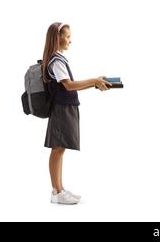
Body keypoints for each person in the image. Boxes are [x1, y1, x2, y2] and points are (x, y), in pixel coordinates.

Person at [42, 22, 111, 204]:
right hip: (61, 109)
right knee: (57, 148)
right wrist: (93, 81)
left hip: (66, 108)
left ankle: (59, 189)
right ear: (58, 37)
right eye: (68, 36)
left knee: (60, 148)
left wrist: (95, 82)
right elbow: (68, 85)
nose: (70, 41)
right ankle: (56, 192)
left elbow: (69, 86)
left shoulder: (59, 58)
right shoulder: (56, 61)